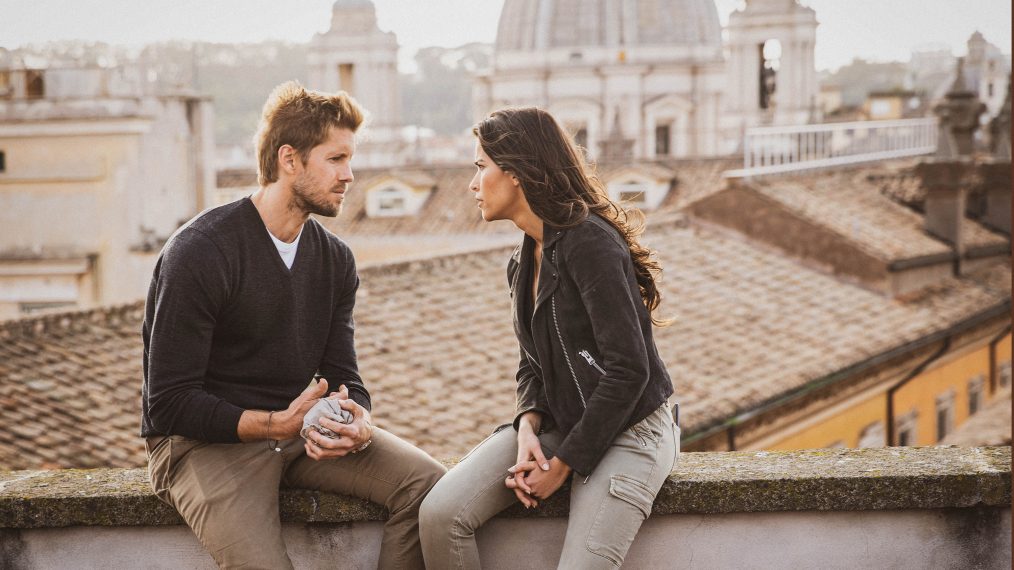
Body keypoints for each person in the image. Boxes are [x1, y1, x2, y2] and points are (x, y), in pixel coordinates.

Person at [140, 81, 445, 570]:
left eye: (350, 159)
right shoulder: (201, 251)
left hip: (296, 432)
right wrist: (271, 424)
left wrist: (359, 423)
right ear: (289, 159)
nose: (350, 175)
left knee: (428, 488)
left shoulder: (335, 260)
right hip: (202, 446)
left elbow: (344, 374)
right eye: (335, 159)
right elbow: (169, 403)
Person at [419, 107, 680, 569]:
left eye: (481, 167)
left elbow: (629, 370)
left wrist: (561, 466)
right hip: (562, 422)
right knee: (441, 515)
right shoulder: (523, 261)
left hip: (633, 429)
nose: (472, 183)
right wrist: (527, 429)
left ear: (516, 173)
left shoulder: (590, 244)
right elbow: (532, 365)